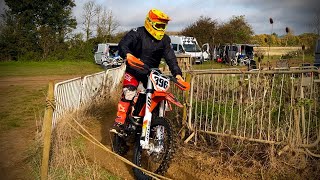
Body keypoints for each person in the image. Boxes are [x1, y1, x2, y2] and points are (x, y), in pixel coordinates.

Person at [111, 8, 186, 132]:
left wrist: (177, 74)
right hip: (134, 70)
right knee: (129, 92)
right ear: (150, 23)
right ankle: (119, 122)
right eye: (159, 25)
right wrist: (127, 54)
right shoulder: (137, 33)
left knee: (160, 94)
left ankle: (155, 121)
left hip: (151, 73)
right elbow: (123, 44)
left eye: (163, 25)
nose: (161, 28)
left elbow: (170, 57)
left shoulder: (165, 40)